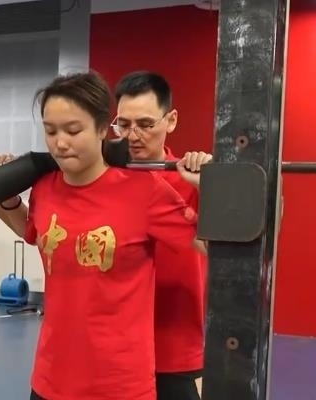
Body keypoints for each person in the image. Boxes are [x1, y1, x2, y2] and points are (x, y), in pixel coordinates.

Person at [0, 71, 208, 400]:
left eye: (73, 130)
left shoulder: (145, 191)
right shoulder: (45, 187)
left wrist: (212, 189)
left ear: (102, 129)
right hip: (51, 377)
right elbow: (34, 233)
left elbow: (211, 247)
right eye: (50, 131)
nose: (60, 143)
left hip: (119, 383)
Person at [112, 70, 211, 400]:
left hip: (175, 349)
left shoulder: (193, 180)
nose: (133, 135)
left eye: (145, 124)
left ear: (171, 120)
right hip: (116, 351)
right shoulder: (108, 183)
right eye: (123, 125)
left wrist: (212, 187)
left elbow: (245, 245)